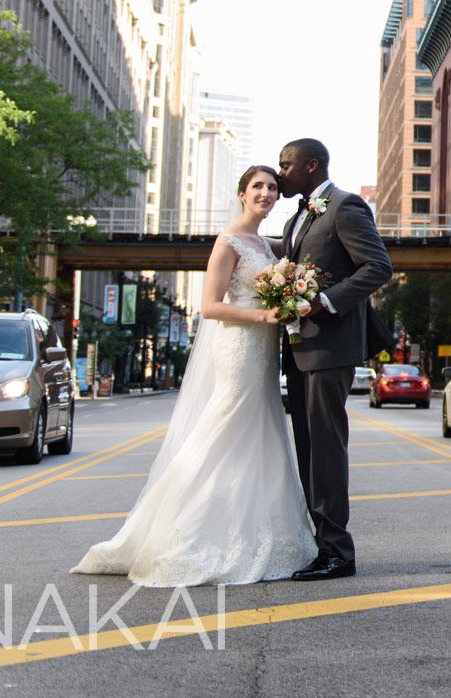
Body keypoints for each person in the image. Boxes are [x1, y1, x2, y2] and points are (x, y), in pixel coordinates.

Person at [74, 166, 317, 587]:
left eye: (272, 187)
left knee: (260, 431)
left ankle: (260, 528)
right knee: (225, 427)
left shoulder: (266, 244)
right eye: (257, 186)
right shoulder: (228, 241)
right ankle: (181, 531)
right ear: (242, 193)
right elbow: (209, 306)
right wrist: (263, 313)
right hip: (238, 345)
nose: (266, 193)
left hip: (263, 350)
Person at [275, 137, 393, 581]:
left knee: (326, 448)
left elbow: (378, 267)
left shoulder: (344, 206)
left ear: (311, 165)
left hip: (330, 347)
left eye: (285, 165)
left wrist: (325, 300)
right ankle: (319, 543)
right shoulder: (297, 218)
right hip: (300, 349)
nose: (279, 172)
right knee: (308, 447)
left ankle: (339, 553)